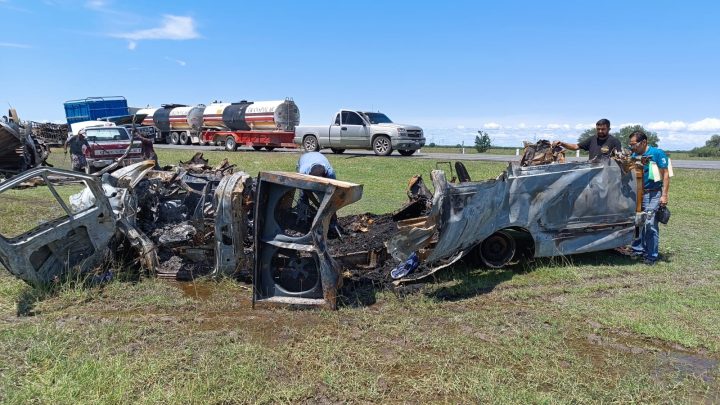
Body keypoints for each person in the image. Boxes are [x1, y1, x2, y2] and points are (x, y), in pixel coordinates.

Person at [629, 130, 670, 265]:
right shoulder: (634, 155)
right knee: (637, 222)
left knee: (650, 224)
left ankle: (651, 255)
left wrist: (664, 195)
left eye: (634, 144)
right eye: (630, 145)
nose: (632, 147)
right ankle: (637, 250)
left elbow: (665, 174)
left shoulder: (657, 153)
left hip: (653, 193)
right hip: (638, 193)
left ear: (644, 142)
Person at [296, 152, 342, 237]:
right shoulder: (303, 171)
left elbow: (333, 193)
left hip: (318, 157)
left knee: (327, 196)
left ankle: (331, 222)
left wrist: (332, 212)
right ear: (310, 174)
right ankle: (302, 222)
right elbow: (304, 188)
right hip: (304, 159)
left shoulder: (330, 172)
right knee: (303, 196)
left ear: (324, 173)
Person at [554, 118, 622, 160]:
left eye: (603, 129)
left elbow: (619, 155)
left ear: (609, 129)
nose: (600, 131)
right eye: (598, 129)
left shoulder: (614, 141)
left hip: (608, 174)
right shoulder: (592, 139)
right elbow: (575, 147)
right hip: (592, 172)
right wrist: (562, 144)